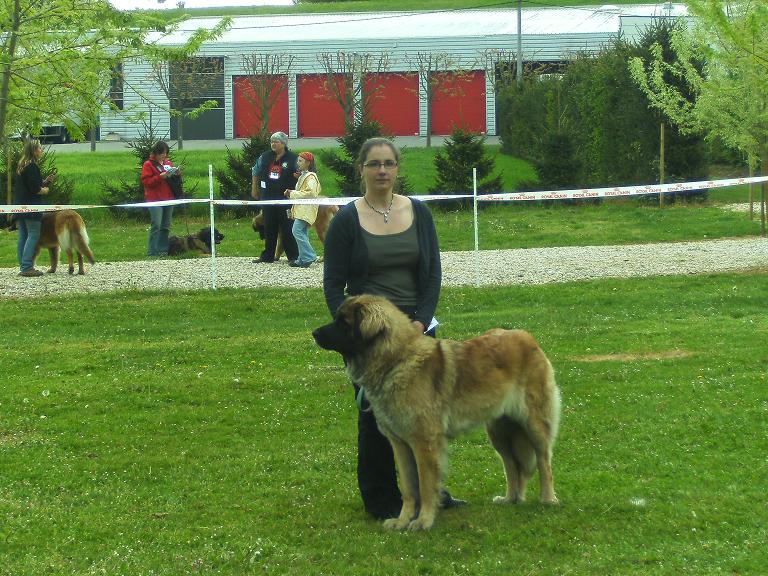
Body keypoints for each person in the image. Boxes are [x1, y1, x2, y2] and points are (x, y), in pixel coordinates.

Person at [322, 137, 464, 519]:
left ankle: (430, 494)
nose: (382, 171)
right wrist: (353, 331)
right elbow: (334, 285)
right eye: (374, 164)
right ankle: (381, 497)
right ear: (362, 169)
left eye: (388, 163)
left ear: (397, 168)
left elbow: (432, 273)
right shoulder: (346, 221)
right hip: (370, 338)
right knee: (375, 415)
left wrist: (420, 320)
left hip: (416, 332)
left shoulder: (418, 213)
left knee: (424, 418)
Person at [251, 131, 299, 264]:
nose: (273, 144)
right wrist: (254, 188)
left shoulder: (293, 158)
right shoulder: (265, 157)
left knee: (288, 228)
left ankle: (294, 257)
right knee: (269, 227)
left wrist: (298, 178)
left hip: (286, 200)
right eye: (271, 141)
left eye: (276, 142)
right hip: (268, 199)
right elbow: (255, 171)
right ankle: (267, 256)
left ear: (283, 144)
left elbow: (304, 174)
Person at [13, 139, 57, 277]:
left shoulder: (22, 165)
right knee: (33, 235)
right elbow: (34, 189)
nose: (41, 151)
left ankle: (23, 265)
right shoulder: (32, 166)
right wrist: (44, 190)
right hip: (31, 206)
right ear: (34, 151)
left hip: (21, 205)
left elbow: (29, 185)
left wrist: (45, 182)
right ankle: (27, 267)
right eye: (39, 148)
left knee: (23, 235)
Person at [284, 151, 321, 268]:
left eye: (300, 161)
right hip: (302, 209)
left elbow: (311, 193)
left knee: (297, 231)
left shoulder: (311, 177)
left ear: (308, 163)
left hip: (306, 209)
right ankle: (302, 259)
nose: (298, 163)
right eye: (298, 160)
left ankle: (309, 256)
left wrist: (292, 193)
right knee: (302, 232)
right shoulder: (304, 176)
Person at [141, 141, 177, 257]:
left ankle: (163, 251)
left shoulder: (168, 163)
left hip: (169, 198)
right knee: (156, 224)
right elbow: (146, 182)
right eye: (161, 153)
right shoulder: (148, 165)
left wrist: (176, 174)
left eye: (165, 153)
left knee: (166, 226)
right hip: (155, 199)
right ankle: (152, 252)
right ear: (156, 153)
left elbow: (172, 181)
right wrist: (159, 177)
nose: (163, 155)